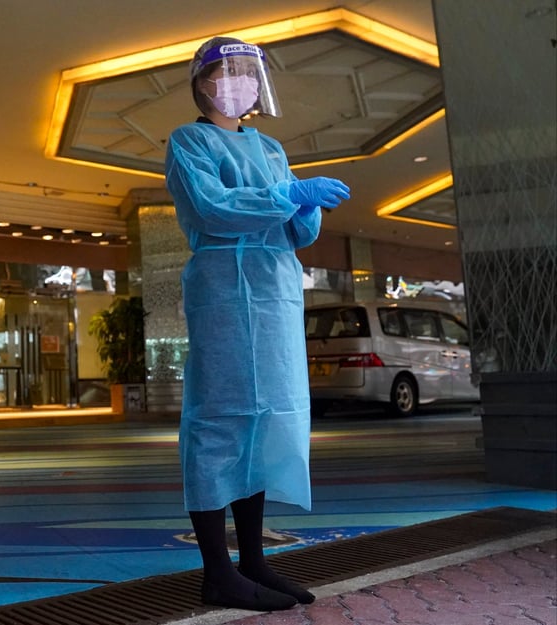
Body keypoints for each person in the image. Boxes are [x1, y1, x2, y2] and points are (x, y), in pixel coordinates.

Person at [164, 36, 350, 611]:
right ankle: (216, 572)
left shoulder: (270, 148)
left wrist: (305, 206)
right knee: (221, 421)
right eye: (230, 72)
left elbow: (295, 233)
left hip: (275, 295)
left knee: (266, 421)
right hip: (223, 292)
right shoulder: (189, 141)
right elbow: (213, 209)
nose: (241, 83)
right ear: (201, 82)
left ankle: (253, 560)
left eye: (250, 73)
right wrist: (287, 193)